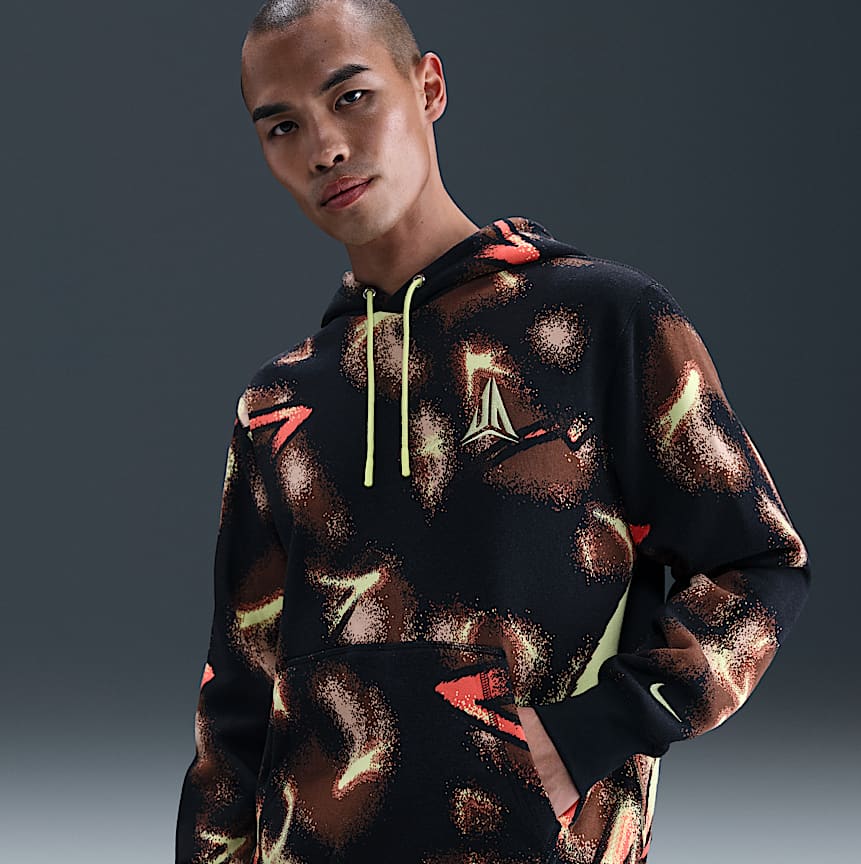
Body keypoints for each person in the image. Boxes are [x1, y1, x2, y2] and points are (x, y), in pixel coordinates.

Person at [174, 1, 812, 861]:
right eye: (282, 125)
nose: (324, 148)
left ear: (428, 87)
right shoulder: (281, 403)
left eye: (351, 97)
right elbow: (236, 708)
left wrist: (592, 734)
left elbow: (761, 565)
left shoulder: (602, 322)